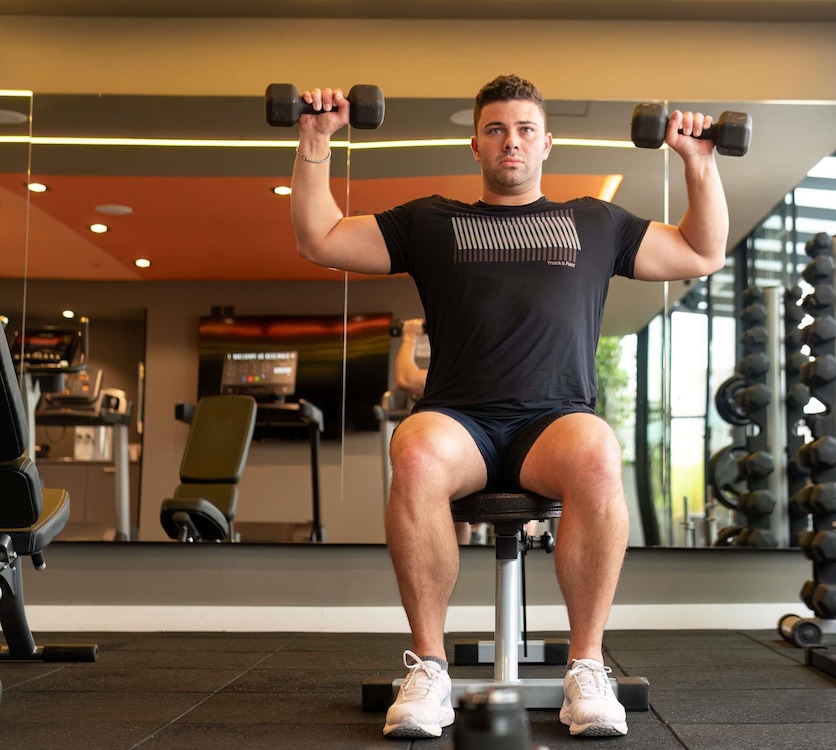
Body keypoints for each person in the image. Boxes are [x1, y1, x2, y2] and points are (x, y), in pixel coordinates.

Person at [290, 74, 728, 739]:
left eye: (525, 129)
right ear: (476, 145)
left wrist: (698, 161)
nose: (511, 141)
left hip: (553, 423)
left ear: (547, 143)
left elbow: (702, 251)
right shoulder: (430, 223)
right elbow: (320, 238)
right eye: (495, 130)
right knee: (414, 449)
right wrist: (316, 140)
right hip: (459, 421)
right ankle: (430, 668)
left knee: (598, 451)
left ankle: (586, 667)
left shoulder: (596, 222)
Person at [394, 318, 485, 545]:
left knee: (444, 490)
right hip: (503, 460)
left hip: (472, 463)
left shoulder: (457, 375)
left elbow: (405, 377)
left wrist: (409, 336)